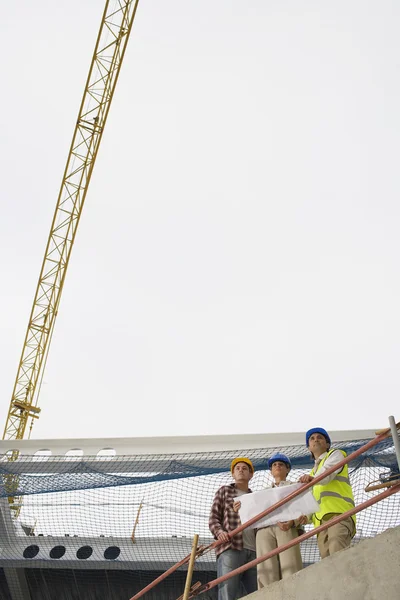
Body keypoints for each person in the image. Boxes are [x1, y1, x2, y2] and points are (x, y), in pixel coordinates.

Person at [298, 427, 356, 559]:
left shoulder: (336, 454)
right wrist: (307, 517)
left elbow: (327, 473)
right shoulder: (313, 474)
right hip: (320, 523)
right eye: (312, 438)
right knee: (327, 561)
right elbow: (314, 499)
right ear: (309, 447)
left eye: (320, 437)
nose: (316, 439)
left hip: (339, 514)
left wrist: (313, 480)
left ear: (328, 444)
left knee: (338, 553)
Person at [252, 453, 304, 588]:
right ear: (270, 471)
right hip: (264, 530)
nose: (277, 466)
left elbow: (305, 507)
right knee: (266, 570)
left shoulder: (296, 486)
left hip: (287, 527)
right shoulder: (262, 493)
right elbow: (254, 513)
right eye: (274, 465)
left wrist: (294, 522)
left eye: (281, 464)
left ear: (288, 469)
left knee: (291, 566)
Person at [209, 457, 257, 599]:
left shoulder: (255, 497)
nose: (241, 470)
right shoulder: (224, 491)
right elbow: (213, 518)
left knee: (259, 593)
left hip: (254, 550)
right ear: (233, 474)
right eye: (238, 468)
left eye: (244, 468)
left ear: (251, 474)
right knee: (227, 594)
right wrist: (220, 533)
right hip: (231, 548)